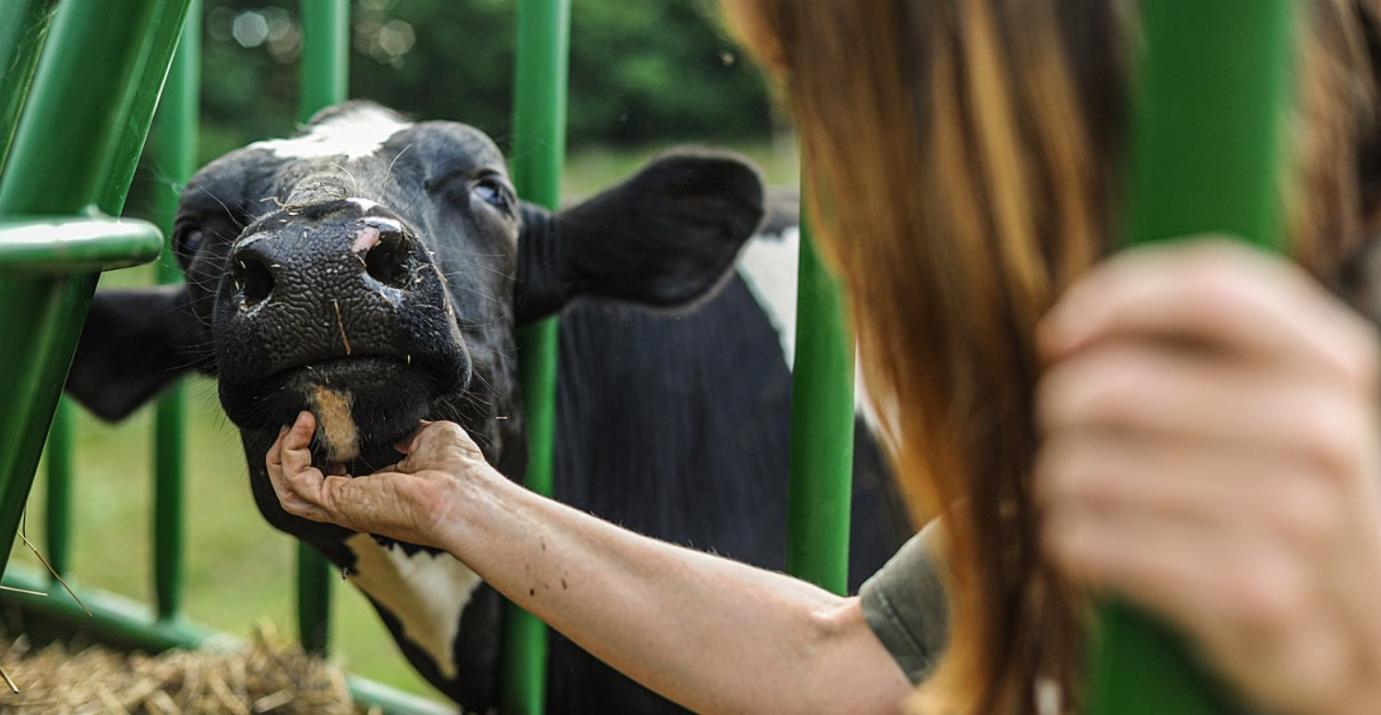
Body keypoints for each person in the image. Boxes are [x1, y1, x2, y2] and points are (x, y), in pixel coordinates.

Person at [267, 2, 1381, 713]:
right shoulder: (1121, 423)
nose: (837, 232)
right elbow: (838, 669)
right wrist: (462, 499)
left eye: (843, 123)